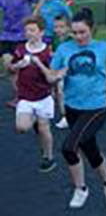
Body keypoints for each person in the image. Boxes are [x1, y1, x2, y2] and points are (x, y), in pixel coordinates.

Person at [35, 8, 106, 209]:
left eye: (82, 32)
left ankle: (80, 188)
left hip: (96, 108)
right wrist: (58, 75)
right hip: (72, 107)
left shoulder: (105, 48)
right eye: (74, 32)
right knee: (90, 150)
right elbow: (51, 75)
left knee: (69, 147)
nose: (78, 37)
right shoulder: (64, 49)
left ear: (92, 29)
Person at [9, 16, 56, 173]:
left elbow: (53, 74)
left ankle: (48, 157)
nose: (29, 33)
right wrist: (17, 65)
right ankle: (33, 117)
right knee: (21, 127)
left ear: (41, 32)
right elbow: (11, 68)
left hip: (43, 96)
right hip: (25, 96)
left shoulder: (47, 50)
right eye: (27, 30)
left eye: (32, 30)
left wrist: (39, 63)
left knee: (44, 129)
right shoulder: (20, 49)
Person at [0, 0, 39, 109]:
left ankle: (37, 92)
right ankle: (20, 96)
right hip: (6, 35)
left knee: (27, 68)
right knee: (8, 65)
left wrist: (34, 14)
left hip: (23, 35)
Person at [52, 15, 72, 129]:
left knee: (64, 92)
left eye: (61, 27)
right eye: (56, 27)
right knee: (60, 92)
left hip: (71, 71)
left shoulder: (72, 40)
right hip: (59, 71)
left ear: (68, 28)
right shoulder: (55, 39)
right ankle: (65, 116)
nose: (58, 30)